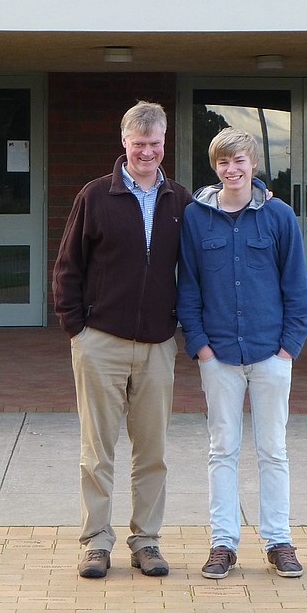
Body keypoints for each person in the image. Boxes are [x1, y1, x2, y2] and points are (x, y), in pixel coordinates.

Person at [52, 100, 192, 580]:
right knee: (97, 452)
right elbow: (67, 267)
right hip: (100, 343)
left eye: (154, 143)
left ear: (164, 142)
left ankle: (147, 541)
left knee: (152, 452)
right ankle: (96, 542)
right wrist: (77, 329)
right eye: (138, 144)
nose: (146, 152)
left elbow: (199, 262)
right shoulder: (94, 196)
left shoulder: (180, 201)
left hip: (157, 345)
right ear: (124, 143)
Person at [177, 127, 307, 581]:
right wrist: (200, 346)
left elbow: (296, 285)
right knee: (222, 450)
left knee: (273, 450)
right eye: (223, 162)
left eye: (239, 161)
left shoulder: (278, 215)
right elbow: (188, 285)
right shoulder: (196, 218)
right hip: (218, 356)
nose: (231, 169)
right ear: (214, 167)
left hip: (271, 353)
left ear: (253, 164)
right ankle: (223, 544)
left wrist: (289, 348)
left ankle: (278, 541)